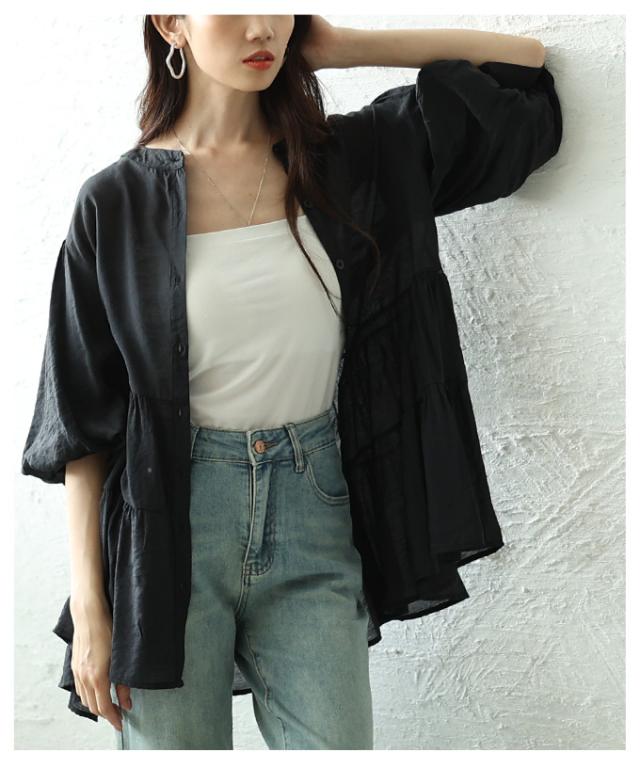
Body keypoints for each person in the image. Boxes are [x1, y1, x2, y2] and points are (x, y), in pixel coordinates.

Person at [20, 14, 563, 750]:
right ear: (172, 22)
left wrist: (342, 48)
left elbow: (524, 74)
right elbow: (82, 422)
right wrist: (91, 609)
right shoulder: (115, 203)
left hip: (315, 514)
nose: (262, 26)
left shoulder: (354, 160)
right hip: (169, 532)